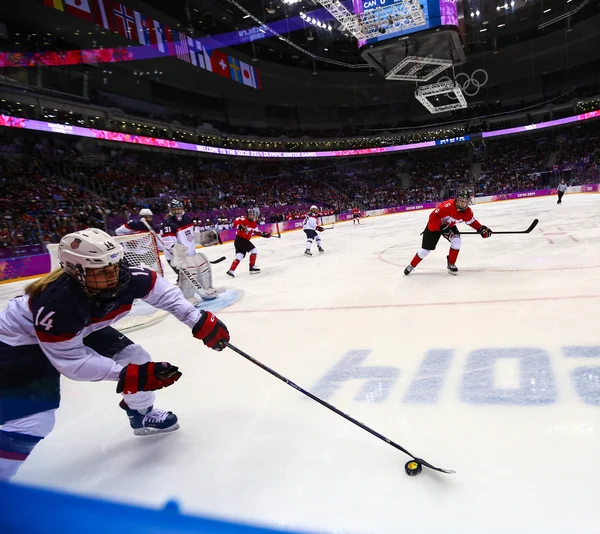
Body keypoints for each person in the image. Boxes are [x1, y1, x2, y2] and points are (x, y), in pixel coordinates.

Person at [0, 228, 230, 482]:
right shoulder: (58, 304)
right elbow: (73, 363)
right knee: (31, 421)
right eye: (101, 271)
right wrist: (126, 375)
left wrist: (196, 320)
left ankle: (141, 416)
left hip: (77, 328)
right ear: (76, 272)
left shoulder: (125, 278)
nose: (112, 275)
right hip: (20, 341)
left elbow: (165, 294)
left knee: (136, 357)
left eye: (114, 265)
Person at [404, 190, 492, 276]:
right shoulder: (448, 206)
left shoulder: (467, 212)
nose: (461, 203)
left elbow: (471, 221)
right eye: (460, 201)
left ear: (468, 202)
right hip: (434, 227)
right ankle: (411, 265)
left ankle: (451, 263)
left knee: (457, 241)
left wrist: (480, 229)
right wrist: (440, 227)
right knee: (425, 251)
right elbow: (433, 216)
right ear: (457, 199)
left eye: (464, 201)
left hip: (448, 226)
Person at [161, 200, 217, 304]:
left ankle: (207, 288)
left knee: (203, 268)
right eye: (175, 209)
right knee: (188, 276)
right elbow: (169, 243)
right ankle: (186, 297)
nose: (178, 211)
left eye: (179, 209)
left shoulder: (187, 218)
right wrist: (177, 253)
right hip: (177, 257)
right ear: (171, 210)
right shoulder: (168, 223)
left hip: (191, 254)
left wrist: (201, 237)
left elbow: (190, 236)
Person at [226, 208, 271, 277]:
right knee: (254, 251)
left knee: (240, 256)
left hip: (239, 241)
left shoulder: (254, 223)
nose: (251, 216)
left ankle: (231, 271)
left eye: (252, 215)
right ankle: (251, 267)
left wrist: (264, 234)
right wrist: (240, 226)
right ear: (247, 215)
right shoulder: (243, 219)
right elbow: (235, 222)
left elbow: (256, 232)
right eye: (250, 214)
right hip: (241, 239)